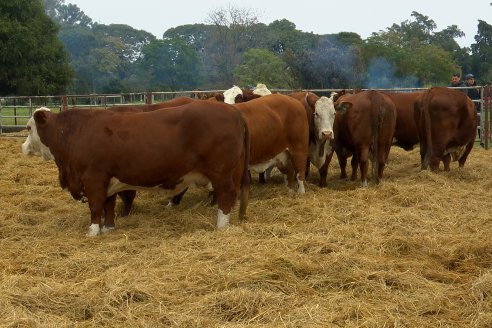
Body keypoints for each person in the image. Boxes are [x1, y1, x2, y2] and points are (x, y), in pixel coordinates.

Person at [464, 73, 482, 145]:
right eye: (470, 79)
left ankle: (480, 139)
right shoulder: (465, 88)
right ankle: (467, 140)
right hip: (469, 109)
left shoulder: (476, 87)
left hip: (476, 108)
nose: (472, 80)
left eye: (472, 79)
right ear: (467, 80)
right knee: (468, 125)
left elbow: (479, 97)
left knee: (478, 124)